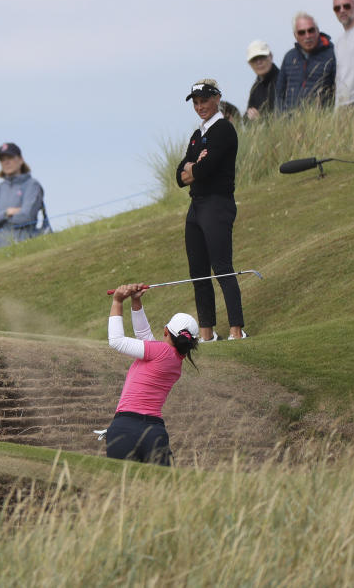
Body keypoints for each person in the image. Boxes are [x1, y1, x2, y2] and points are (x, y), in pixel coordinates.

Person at [175, 79, 246, 342]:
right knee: (198, 271)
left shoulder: (224, 130)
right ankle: (206, 333)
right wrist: (193, 167)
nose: (200, 106)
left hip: (217, 203)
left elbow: (204, 170)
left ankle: (236, 330)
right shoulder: (197, 136)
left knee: (222, 267)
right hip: (197, 206)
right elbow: (179, 177)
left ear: (217, 98)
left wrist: (194, 168)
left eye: (204, 100)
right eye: (195, 102)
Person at [104, 282, 199, 465]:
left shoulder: (160, 351)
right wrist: (135, 302)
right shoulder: (176, 360)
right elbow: (144, 335)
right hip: (154, 432)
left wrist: (117, 301)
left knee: (121, 487)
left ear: (165, 331)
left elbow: (116, 341)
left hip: (125, 427)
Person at [0, 143, 46, 249]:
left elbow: (27, 216)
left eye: (10, 157)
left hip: (26, 248)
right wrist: (7, 213)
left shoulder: (32, 185)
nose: (6, 162)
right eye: (2, 159)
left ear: (20, 160)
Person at [276, 12, 336, 112]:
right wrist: (281, 118)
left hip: (321, 121)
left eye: (311, 30)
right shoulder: (289, 57)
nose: (307, 36)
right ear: (295, 35)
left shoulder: (333, 54)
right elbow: (279, 93)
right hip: (291, 123)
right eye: (301, 32)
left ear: (317, 31)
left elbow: (341, 90)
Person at [244, 40, 279, 120]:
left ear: (271, 56)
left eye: (262, 57)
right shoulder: (255, 88)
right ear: (249, 63)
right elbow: (248, 120)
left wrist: (261, 119)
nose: (259, 62)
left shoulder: (284, 80)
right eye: (254, 59)